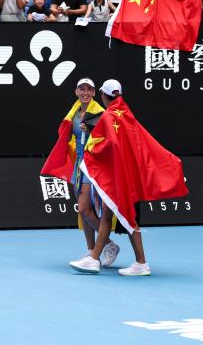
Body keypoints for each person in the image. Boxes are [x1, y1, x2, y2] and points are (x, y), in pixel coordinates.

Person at [69, 79, 188, 275]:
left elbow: (107, 144)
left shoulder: (108, 117)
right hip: (128, 175)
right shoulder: (125, 113)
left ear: (103, 96)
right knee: (113, 215)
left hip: (121, 177)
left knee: (125, 217)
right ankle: (96, 258)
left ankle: (135, 262)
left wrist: (91, 135)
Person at [42, 78, 121, 270]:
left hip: (93, 164)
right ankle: (91, 250)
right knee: (83, 211)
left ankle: (109, 245)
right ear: (76, 92)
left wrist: (92, 129)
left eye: (89, 89)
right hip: (78, 163)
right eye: (82, 89)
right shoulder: (74, 113)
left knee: (85, 207)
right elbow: (68, 136)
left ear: (94, 93)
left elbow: (108, 138)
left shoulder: (101, 113)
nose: (85, 92)